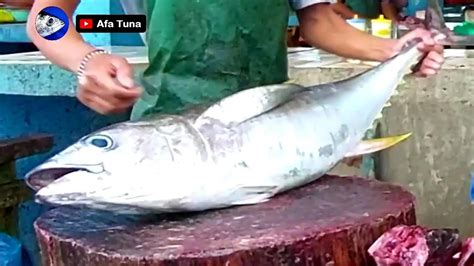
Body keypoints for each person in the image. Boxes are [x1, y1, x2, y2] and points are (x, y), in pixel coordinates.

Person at [26, 0, 444, 119]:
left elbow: (318, 21)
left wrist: (396, 52)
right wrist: (87, 59)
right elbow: (46, 17)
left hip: (266, 120)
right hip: (170, 124)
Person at [332, 0, 407, 21]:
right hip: (353, 25)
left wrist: (396, 23)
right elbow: (338, 6)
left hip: (375, 27)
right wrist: (364, 20)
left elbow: (385, 3)